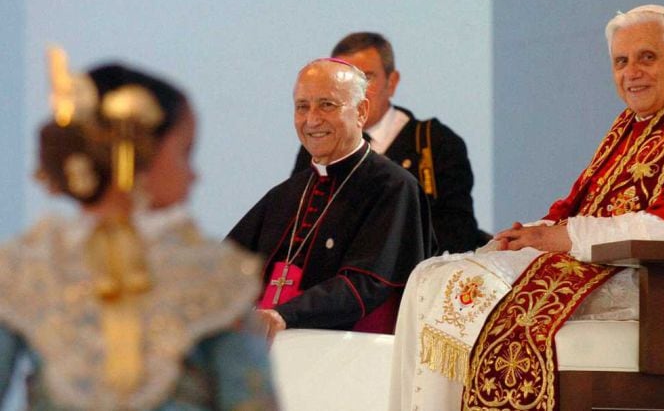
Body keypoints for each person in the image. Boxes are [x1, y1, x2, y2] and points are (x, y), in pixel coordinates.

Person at [389, 4, 664, 411]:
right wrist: (532, 233)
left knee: (466, 287)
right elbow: (581, 206)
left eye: (647, 57)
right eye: (621, 61)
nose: (632, 72)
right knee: (431, 275)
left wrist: (562, 237)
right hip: (611, 269)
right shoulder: (634, 125)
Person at [0, 52, 277, 410]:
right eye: (185, 153)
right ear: (138, 152)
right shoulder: (214, 276)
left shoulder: (23, 267)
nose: (194, 176)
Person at [227, 58, 432, 339]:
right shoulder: (286, 194)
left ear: (361, 111)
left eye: (327, 104)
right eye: (302, 107)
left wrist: (285, 314)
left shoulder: (394, 187)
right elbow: (228, 261)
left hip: (346, 358)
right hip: (269, 355)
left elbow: (366, 284)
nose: (312, 119)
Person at [291, 32, 489, 254]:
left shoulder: (436, 143)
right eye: (344, 80)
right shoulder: (319, 141)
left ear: (392, 82)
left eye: (366, 79)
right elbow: (297, 224)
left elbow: (457, 233)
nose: (355, 91)